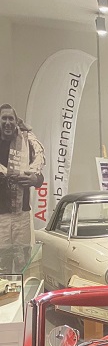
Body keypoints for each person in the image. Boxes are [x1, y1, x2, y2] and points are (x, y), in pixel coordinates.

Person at [0, 104, 45, 273]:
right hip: (1, 217)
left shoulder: (26, 142)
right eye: (4, 118)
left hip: (22, 216)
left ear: (16, 121)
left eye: (10, 118)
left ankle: (22, 290)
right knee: (2, 265)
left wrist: (35, 179)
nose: (7, 122)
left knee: (24, 263)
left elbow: (39, 174)